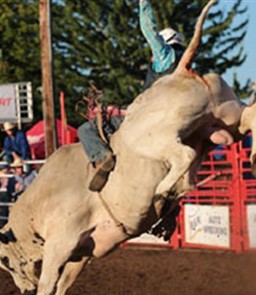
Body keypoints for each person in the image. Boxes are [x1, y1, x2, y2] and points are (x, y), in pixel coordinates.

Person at [78, 0, 186, 192]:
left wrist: (144, 5)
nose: (152, 56)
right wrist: (116, 109)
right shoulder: (186, 64)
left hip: (149, 116)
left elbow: (149, 29)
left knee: (86, 129)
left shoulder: (165, 57)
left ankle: (103, 158)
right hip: (170, 114)